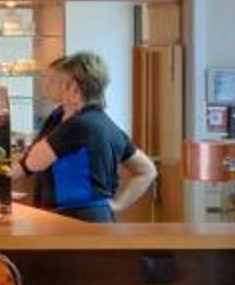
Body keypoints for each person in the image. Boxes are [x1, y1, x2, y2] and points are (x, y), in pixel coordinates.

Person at [13, 51, 156, 223]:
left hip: (76, 220)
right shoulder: (101, 123)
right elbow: (147, 170)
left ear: (74, 88)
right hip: (74, 218)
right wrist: (116, 206)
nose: (46, 85)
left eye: (55, 81)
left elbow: (33, 162)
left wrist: (117, 205)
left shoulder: (79, 125)